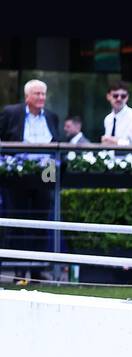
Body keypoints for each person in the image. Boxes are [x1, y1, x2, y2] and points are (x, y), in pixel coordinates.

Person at [0, 79, 62, 272]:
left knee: (42, 216)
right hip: (18, 170)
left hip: (46, 170)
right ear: (27, 96)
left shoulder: (51, 116)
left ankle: (38, 268)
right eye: (37, 94)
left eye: (44, 94)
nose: (41, 97)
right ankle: (19, 269)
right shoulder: (11, 113)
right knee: (17, 216)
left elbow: (57, 143)